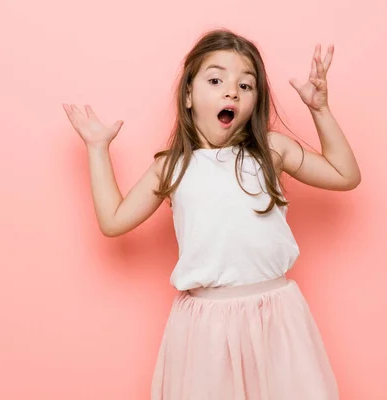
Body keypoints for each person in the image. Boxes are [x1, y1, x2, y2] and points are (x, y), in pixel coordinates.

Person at [63, 28, 360, 400]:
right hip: (206, 327)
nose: (232, 91)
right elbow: (113, 219)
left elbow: (345, 174)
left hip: (276, 315)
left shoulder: (271, 150)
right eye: (216, 79)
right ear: (188, 95)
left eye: (246, 85)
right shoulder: (172, 167)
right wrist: (97, 149)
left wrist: (320, 110)